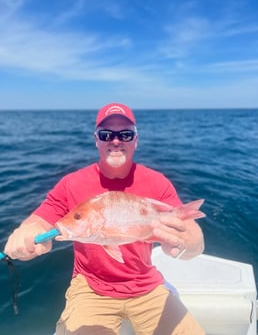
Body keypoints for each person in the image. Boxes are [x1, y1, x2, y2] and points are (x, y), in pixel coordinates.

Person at [4, 103, 205, 335]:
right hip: (91, 289)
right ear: (97, 140)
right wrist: (24, 235)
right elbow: (39, 221)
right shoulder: (72, 183)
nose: (116, 140)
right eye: (106, 134)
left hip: (147, 286)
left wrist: (183, 244)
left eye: (125, 134)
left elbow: (194, 240)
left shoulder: (158, 182)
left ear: (136, 140)